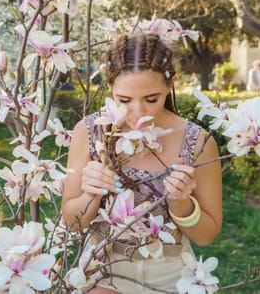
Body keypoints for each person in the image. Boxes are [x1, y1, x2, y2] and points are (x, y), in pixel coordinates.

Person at [61, 33, 222, 292]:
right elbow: (72, 223)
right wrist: (91, 193)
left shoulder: (197, 142)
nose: (137, 112)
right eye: (124, 101)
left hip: (171, 277)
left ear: (171, 85)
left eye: (151, 99)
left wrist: (180, 204)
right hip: (104, 273)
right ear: (110, 86)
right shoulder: (90, 131)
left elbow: (206, 236)